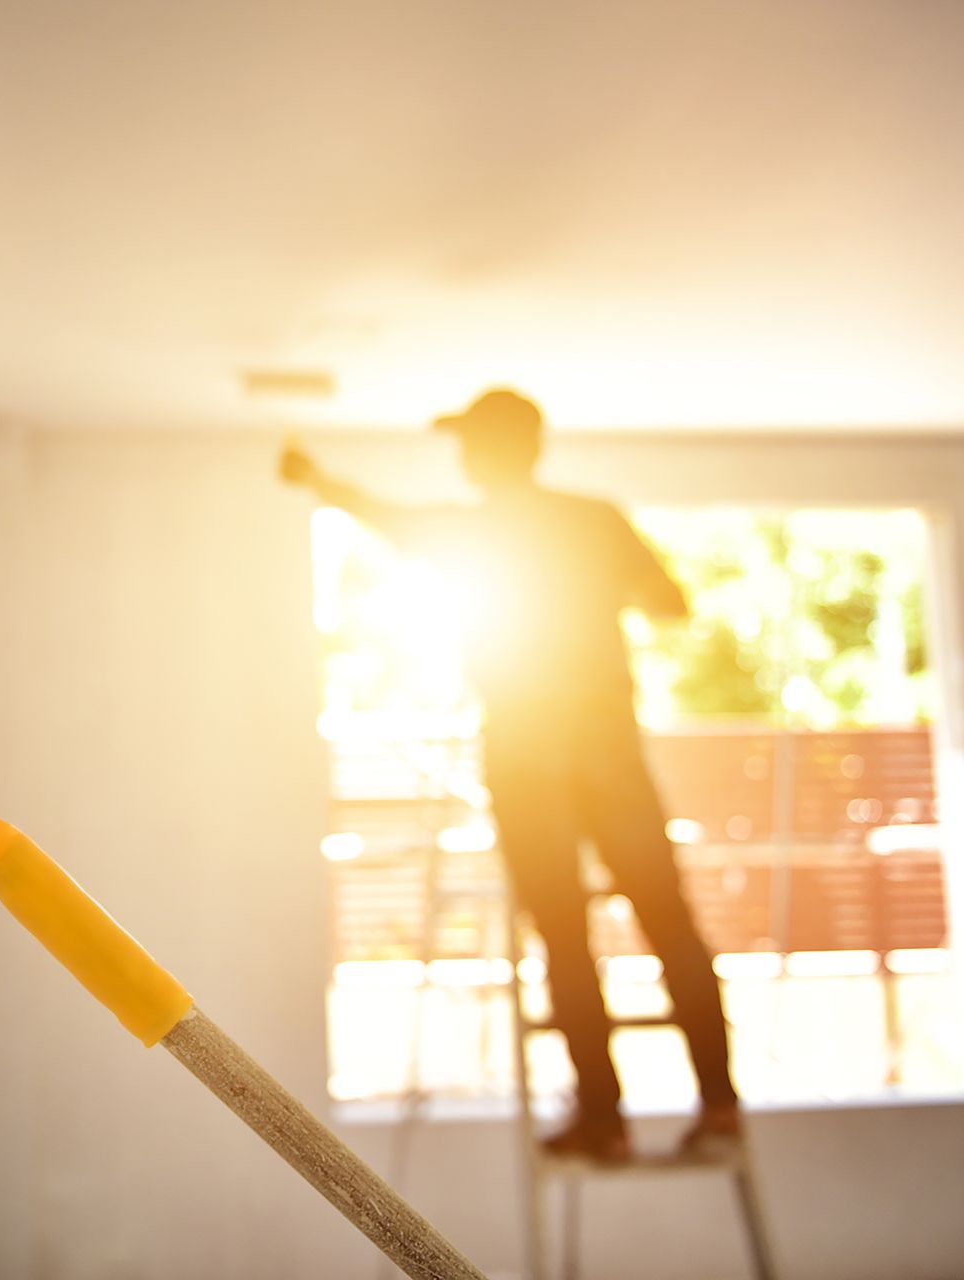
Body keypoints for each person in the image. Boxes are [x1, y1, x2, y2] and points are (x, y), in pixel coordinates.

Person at [281, 389, 739, 1161]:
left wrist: (316, 479)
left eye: (468, 445)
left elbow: (392, 517)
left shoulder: (478, 530)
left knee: (563, 932)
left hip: (531, 754)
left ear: (493, 451)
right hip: (604, 748)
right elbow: (670, 604)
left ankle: (603, 1117)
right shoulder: (592, 520)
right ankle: (716, 1106)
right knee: (666, 917)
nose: (461, 458)